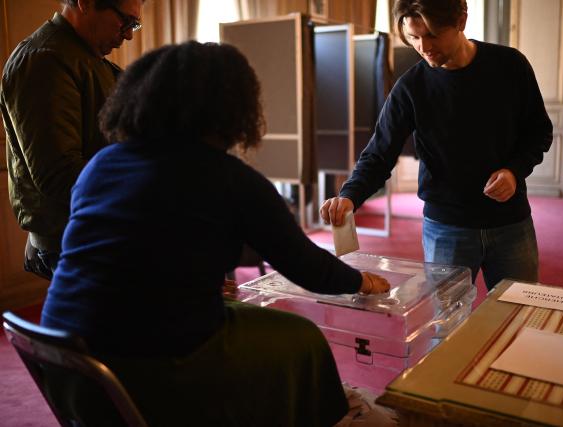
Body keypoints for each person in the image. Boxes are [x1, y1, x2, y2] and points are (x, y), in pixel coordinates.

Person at [40, 41, 390, 426]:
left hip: (61, 356)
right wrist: (360, 281)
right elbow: (306, 266)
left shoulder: (100, 164)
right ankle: (336, 416)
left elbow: (126, 248)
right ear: (232, 108)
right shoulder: (230, 179)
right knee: (302, 338)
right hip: (147, 361)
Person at [321, 0, 553, 291]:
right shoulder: (410, 87)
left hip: (511, 223)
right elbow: (379, 154)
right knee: (444, 328)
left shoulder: (510, 65)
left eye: (432, 35)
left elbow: (539, 132)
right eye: (414, 37)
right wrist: (349, 196)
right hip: (446, 228)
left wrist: (514, 171)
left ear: (461, 21)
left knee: (518, 320)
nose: (423, 46)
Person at [0, 0, 143, 280]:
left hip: (97, 233)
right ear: (85, 3)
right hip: (76, 243)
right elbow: (59, 176)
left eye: (134, 24)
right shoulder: (44, 60)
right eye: (124, 21)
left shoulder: (83, 56)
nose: (128, 35)